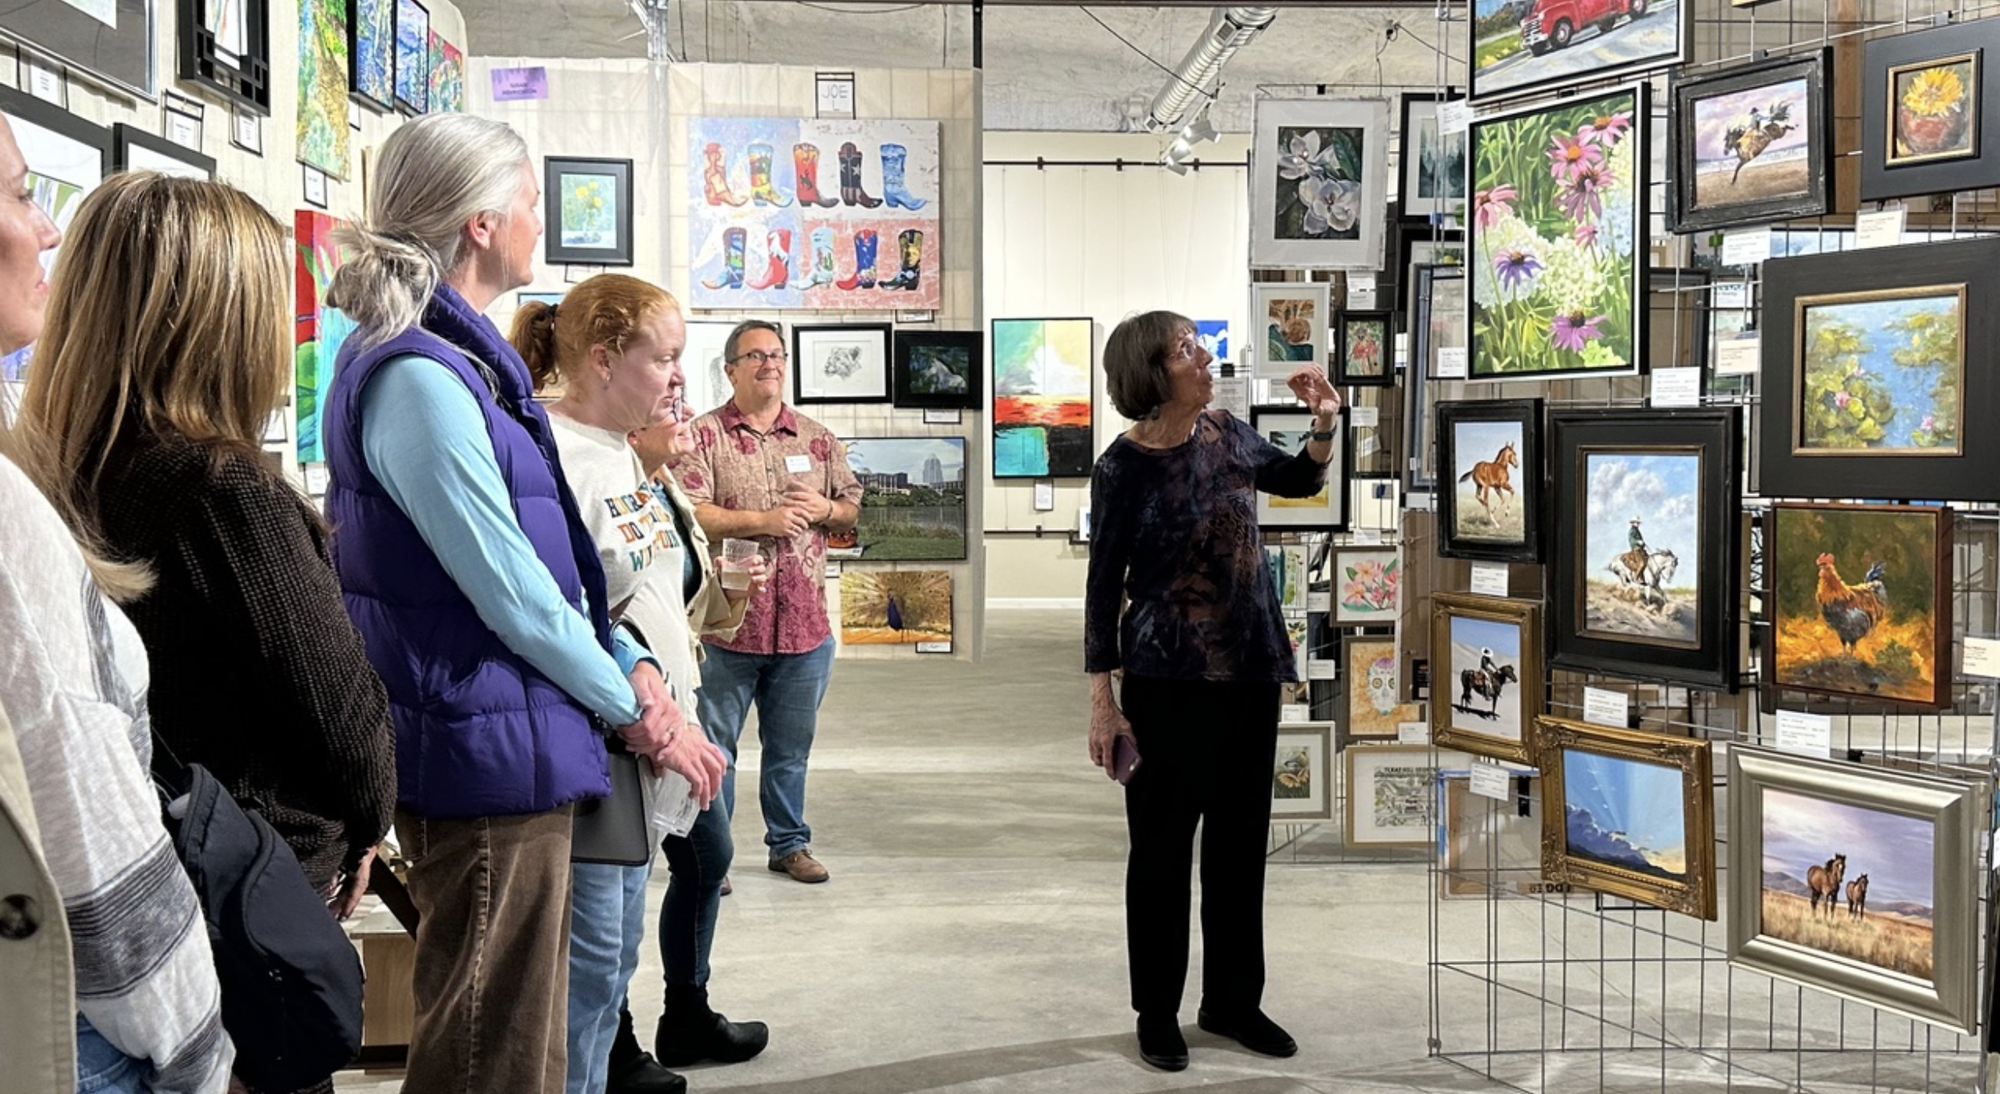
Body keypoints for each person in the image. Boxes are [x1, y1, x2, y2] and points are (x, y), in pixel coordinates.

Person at [319, 113, 723, 1094]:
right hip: (483, 755)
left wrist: (625, 663)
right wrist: (644, 712)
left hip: (508, 738)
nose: (546, 220)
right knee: (488, 1048)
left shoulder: (452, 366)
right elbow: (512, 593)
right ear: (481, 222)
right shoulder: (417, 375)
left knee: (521, 1039)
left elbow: (558, 571)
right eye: (533, 200)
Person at [17, 183, 397, 1089]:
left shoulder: (52, 467)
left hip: (125, 913)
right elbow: (347, 725)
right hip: (247, 901)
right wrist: (372, 822)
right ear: (225, 316)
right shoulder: (223, 490)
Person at [0, 113, 233, 1094]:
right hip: (91, 1024)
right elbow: (77, 796)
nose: (45, 227)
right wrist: (194, 1042)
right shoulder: (14, 510)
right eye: (18, 192)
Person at [511, 274, 768, 1094]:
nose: (677, 378)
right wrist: (651, 718)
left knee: (612, 963)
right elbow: (566, 616)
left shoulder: (622, 451)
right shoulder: (549, 455)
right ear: (602, 358)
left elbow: (647, 591)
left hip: (650, 742)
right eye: (664, 358)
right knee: (587, 975)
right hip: (600, 747)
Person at [1083, 310, 1342, 1073]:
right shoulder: (1122, 468)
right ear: (1153, 374)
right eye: (1188, 349)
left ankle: (1232, 1001)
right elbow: (1102, 593)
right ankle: (1156, 1011)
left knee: (1238, 850)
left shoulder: (1226, 433)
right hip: (1166, 682)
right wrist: (1104, 700)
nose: (1205, 357)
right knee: (1160, 854)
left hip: (1250, 671)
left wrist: (1323, 421)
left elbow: (1298, 477)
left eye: (1200, 344)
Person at [675, 320, 862, 885]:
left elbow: (851, 505)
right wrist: (764, 521)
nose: (769, 364)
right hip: (728, 625)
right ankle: (716, 855)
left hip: (805, 629)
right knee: (717, 751)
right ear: (730, 368)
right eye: (754, 355)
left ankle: (789, 844)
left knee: (790, 750)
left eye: (776, 354)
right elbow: (691, 512)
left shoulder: (816, 438)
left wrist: (827, 511)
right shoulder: (702, 436)